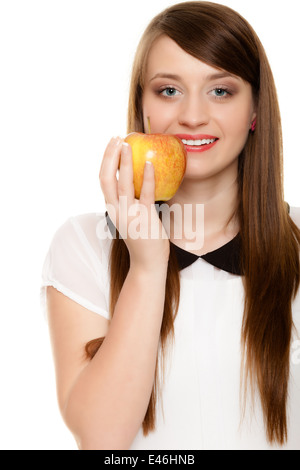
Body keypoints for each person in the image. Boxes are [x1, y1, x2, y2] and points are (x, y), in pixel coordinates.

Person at [41, 1, 300, 450]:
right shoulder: (83, 247)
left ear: (255, 110)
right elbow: (102, 441)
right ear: (142, 108)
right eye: (168, 91)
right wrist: (146, 266)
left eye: (221, 90)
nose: (193, 116)